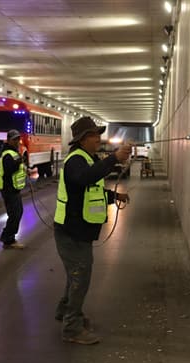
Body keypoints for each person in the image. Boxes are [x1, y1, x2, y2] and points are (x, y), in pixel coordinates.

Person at [53, 116, 131, 345]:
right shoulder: (77, 161)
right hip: (71, 231)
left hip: (79, 230)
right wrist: (113, 158)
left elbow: (90, 191)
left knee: (75, 275)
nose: (98, 139)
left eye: (98, 134)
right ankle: (72, 328)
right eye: (94, 135)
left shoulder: (87, 159)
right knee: (80, 277)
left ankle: (64, 312)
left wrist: (114, 196)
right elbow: (83, 179)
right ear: (83, 139)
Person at [0, 129, 26, 250]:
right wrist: (19, 161)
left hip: (13, 188)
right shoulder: (8, 154)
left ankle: (9, 238)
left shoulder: (14, 152)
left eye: (18, 139)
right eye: (14, 139)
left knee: (16, 213)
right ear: (8, 140)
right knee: (15, 214)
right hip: (9, 188)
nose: (17, 141)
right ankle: (8, 239)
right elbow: (9, 170)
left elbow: (17, 169)